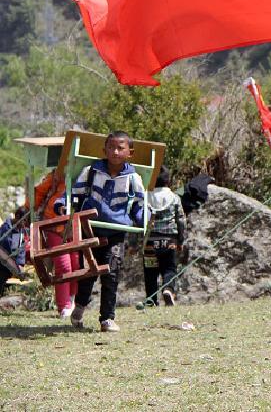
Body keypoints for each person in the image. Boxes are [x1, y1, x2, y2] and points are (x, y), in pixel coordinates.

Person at [55, 131, 145, 332]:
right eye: (111, 147)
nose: (115, 151)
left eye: (120, 148)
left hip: (116, 232)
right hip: (90, 229)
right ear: (104, 150)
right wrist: (63, 205)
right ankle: (79, 306)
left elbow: (139, 204)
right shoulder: (91, 170)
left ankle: (107, 319)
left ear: (130, 152)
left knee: (112, 273)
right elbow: (73, 193)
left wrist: (143, 218)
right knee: (89, 272)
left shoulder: (133, 177)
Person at [27, 167, 80, 318]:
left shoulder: (89, 173)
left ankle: (72, 300)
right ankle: (64, 307)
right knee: (63, 265)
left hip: (75, 226)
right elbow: (39, 192)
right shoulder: (56, 175)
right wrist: (26, 208)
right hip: (53, 225)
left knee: (76, 264)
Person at [143, 165, 185, 306]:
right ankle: (168, 289)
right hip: (169, 241)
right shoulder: (174, 198)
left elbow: (138, 221)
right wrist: (180, 240)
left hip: (150, 242)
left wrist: (132, 243)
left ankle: (151, 300)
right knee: (169, 269)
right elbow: (181, 220)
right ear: (168, 181)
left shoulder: (145, 197)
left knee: (150, 272)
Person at [0, 208, 28, 297]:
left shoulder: (20, 231)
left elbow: (21, 248)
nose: (24, 224)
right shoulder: (5, 228)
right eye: (23, 221)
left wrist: (20, 265)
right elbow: (6, 245)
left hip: (8, 266)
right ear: (17, 217)